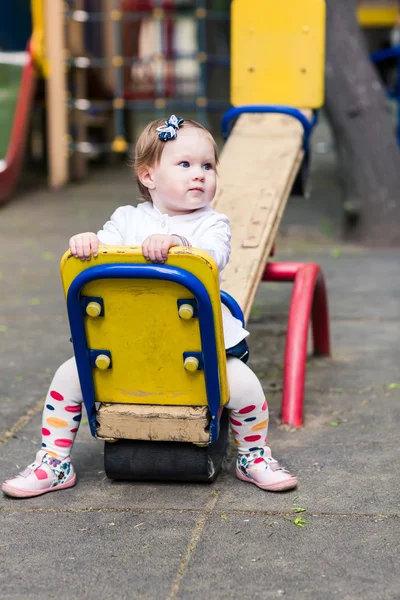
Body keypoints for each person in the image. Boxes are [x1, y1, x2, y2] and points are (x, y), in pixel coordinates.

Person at [2, 116, 297, 498]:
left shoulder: (212, 224)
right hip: (127, 341)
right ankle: (54, 460)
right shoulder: (127, 219)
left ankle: (253, 455)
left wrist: (177, 242)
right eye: (185, 164)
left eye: (207, 166)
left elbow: (214, 256)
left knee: (244, 387)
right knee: (67, 378)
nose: (199, 175)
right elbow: (104, 254)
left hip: (197, 344)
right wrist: (89, 243)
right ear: (148, 176)